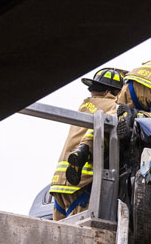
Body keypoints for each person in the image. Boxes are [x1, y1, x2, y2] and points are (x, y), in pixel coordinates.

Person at [49, 68, 123, 220]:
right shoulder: (111, 107)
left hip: (58, 184)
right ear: (111, 92)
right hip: (81, 183)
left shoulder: (84, 106)